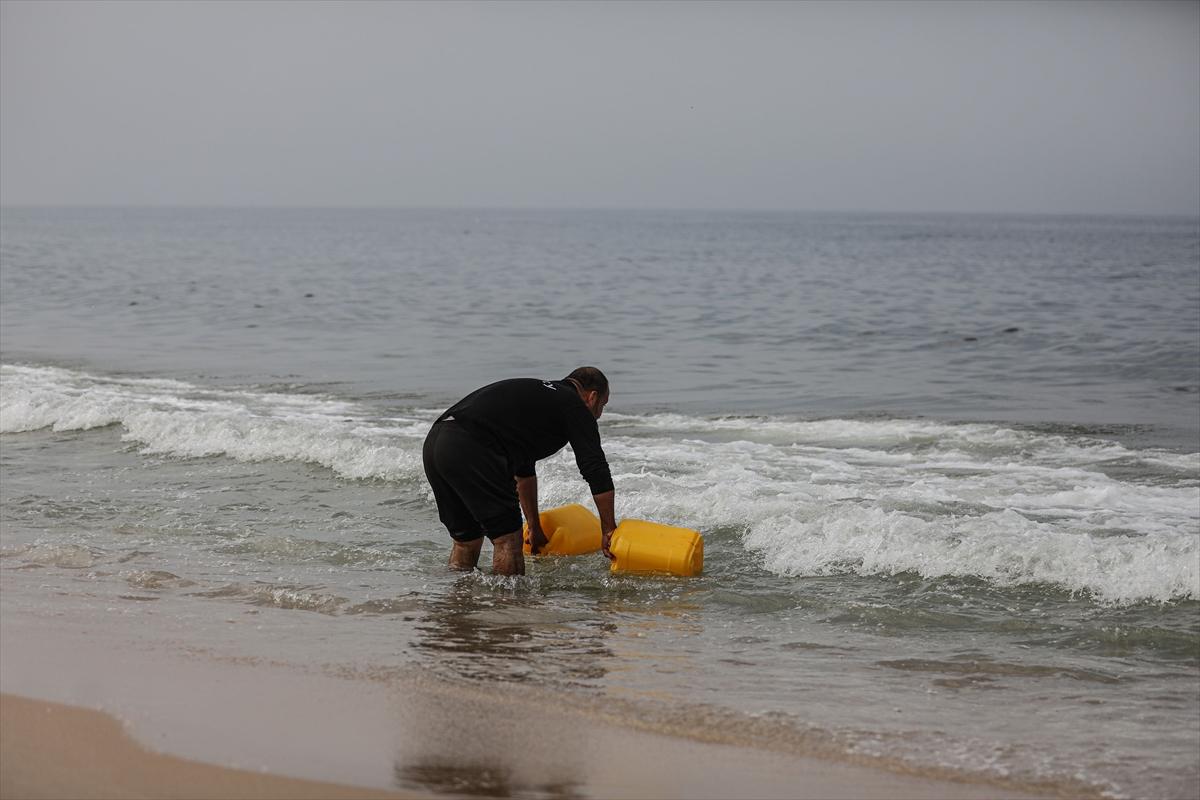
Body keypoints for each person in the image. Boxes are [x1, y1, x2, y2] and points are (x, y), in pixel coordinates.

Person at [422, 366, 616, 575]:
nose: (599, 415)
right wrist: (608, 529)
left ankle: (459, 601)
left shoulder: (541, 399)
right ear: (592, 397)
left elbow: (523, 472)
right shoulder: (574, 406)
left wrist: (534, 527)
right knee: (507, 540)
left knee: (466, 540)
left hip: (437, 442)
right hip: (471, 447)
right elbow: (596, 469)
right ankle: (510, 605)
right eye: (602, 406)